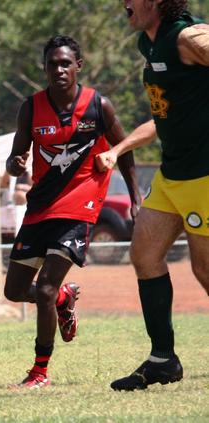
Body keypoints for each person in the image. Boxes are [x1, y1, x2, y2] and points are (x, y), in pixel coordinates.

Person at [3, 35, 140, 389]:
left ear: (79, 66)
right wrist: (15, 164)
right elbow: (16, 159)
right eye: (53, 64)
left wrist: (137, 198)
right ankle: (66, 298)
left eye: (66, 63)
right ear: (45, 68)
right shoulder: (31, 108)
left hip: (82, 203)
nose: (59, 69)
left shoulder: (99, 106)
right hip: (40, 208)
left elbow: (124, 150)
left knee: (45, 288)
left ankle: (39, 372)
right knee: (15, 291)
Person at [95, 0, 209, 391]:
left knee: (205, 271)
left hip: (204, 177)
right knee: (144, 255)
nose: (124, 2)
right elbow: (164, 117)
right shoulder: (150, 44)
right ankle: (163, 360)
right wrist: (118, 148)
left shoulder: (186, 35)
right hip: (172, 175)